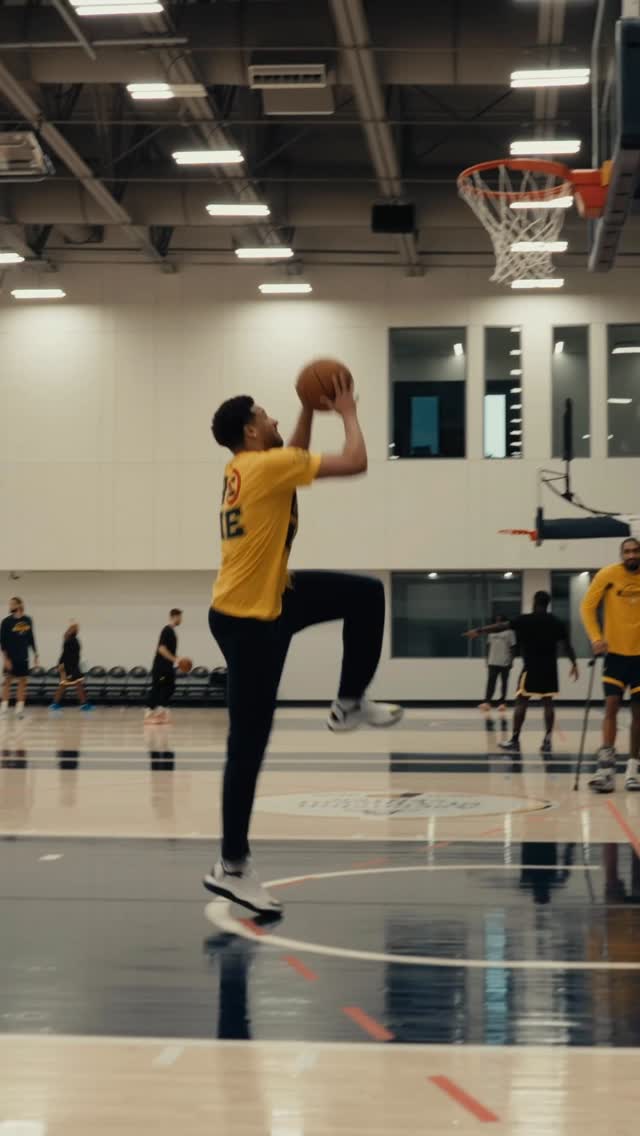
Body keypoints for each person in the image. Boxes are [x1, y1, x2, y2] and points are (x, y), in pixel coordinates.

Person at [205, 372, 402, 915]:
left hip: (272, 596)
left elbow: (289, 451)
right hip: (249, 619)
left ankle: (349, 701)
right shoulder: (265, 467)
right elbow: (356, 461)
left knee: (365, 594)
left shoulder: (247, 466)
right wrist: (347, 410)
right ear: (250, 431)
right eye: (264, 415)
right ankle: (232, 866)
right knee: (247, 746)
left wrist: (308, 409)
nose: (273, 418)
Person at [465, 590, 578, 754]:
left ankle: (515, 740)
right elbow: (567, 646)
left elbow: (501, 626)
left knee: (521, 702)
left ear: (534, 602)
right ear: (548, 604)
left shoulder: (525, 619)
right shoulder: (557, 622)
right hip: (549, 669)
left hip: (530, 668)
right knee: (548, 703)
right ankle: (547, 741)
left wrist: (479, 630)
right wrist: (574, 663)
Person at [580, 537, 640, 793]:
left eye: (635, 551)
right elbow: (587, 607)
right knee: (611, 707)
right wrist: (596, 638)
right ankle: (606, 770)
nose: (631, 555)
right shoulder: (608, 575)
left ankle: (634, 771)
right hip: (615, 655)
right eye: (627, 551)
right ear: (621, 554)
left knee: (638, 715)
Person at [0, 597, 39, 720]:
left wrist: (36, 654)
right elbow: (2, 642)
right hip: (10, 657)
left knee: (23, 682)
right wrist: (5, 659)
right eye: (10, 604)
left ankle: (19, 710)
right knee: (7, 682)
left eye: (12, 604)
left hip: (23, 657)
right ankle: (4, 710)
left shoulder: (28, 620)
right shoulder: (6, 622)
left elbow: (31, 638)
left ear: (19, 605)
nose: (10, 606)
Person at [145, 609, 184, 724]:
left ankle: (161, 711)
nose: (181, 620)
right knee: (158, 688)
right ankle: (149, 713)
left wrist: (178, 659)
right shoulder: (166, 630)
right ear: (174, 617)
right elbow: (161, 649)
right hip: (161, 666)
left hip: (167, 666)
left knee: (170, 687)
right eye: (180, 617)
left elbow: (169, 651)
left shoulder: (171, 631)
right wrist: (175, 659)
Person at [49, 622, 94, 712]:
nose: (77, 629)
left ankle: (83, 703)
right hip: (68, 667)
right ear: (72, 630)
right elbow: (65, 656)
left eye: (77, 628)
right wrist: (62, 668)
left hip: (73, 666)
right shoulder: (69, 640)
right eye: (75, 628)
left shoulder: (73, 639)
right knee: (65, 685)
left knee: (74, 685)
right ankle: (55, 704)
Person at [478, 613, 515, 713]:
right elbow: (488, 646)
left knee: (504, 683)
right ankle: (487, 702)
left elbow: (513, 647)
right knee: (491, 682)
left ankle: (502, 703)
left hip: (505, 661)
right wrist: (487, 659)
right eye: (496, 620)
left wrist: (511, 660)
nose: (498, 622)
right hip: (492, 661)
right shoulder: (491, 632)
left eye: (500, 620)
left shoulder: (509, 632)